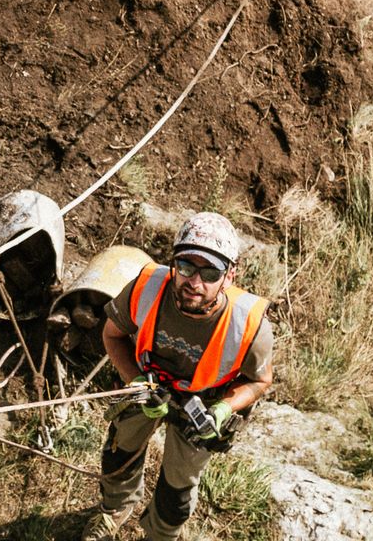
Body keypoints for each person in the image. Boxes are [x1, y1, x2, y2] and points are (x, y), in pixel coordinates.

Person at [84, 212, 274, 541]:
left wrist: (224, 409)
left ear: (229, 275)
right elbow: (112, 335)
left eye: (210, 273)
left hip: (204, 406)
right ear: (174, 263)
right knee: (118, 453)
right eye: (186, 267)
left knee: (178, 489)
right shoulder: (146, 287)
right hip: (148, 385)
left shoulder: (249, 323)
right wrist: (135, 380)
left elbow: (259, 380)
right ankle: (115, 509)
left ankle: (161, 535)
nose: (194, 283)